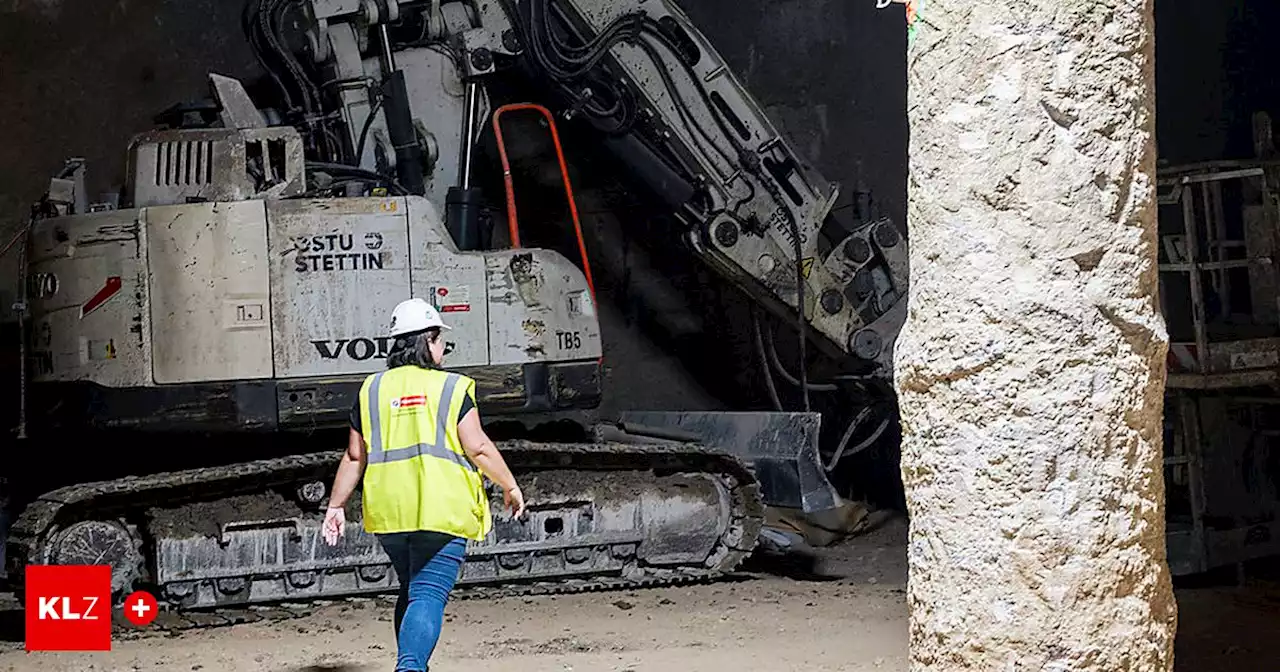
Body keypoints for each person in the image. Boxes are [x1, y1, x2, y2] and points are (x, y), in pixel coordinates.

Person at [322, 297, 526, 672]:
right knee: (429, 591)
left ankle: (414, 665)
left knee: (413, 589)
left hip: (390, 512)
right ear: (427, 342)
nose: (444, 348)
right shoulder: (453, 387)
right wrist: (510, 485)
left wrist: (335, 506)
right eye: (440, 340)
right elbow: (478, 447)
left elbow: (354, 456)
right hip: (441, 509)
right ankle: (410, 668)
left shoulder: (371, 389)